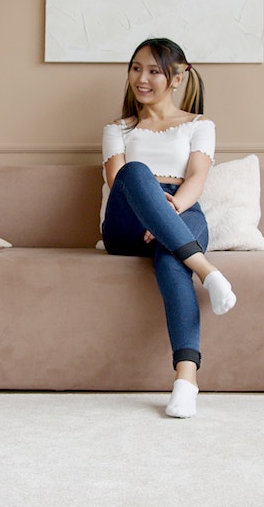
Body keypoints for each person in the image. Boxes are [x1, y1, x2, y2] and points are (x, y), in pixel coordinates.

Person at [101, 38, 237, 419]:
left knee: (172, 259)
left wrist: (171, 212)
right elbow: (118, 182)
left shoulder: (200, 125)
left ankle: (186, 379)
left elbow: (196, 177)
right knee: (135, 171)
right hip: (129, 217)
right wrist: (152, 215)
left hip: (182, 208)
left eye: (154, 71)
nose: (141, 79)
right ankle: (208, 272)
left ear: (177, 78)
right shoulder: (119, 129)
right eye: (136, 68)